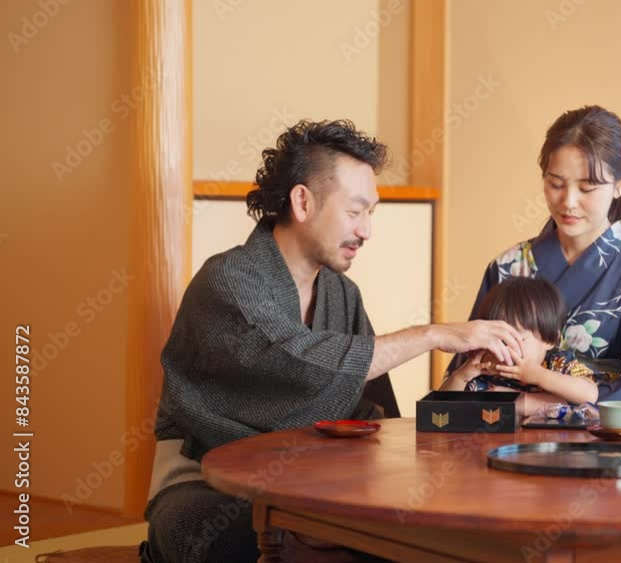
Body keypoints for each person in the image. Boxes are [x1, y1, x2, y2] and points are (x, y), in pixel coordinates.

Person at [142, 119, 525, 563]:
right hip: (205, 481)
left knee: (406, 535)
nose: (366, 231)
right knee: (257, 538)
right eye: (355, 211)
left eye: (371, 213)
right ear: (302, 202)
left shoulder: (342, 294)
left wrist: (461, 398)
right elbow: (299, 363)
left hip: (310, 483)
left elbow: (374, 416)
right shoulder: (228, 279)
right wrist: (433, 334)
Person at [447, 105, 621, 419]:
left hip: (610, 442)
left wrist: (531, 402)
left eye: (587, 188)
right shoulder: (508, 267)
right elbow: (464, 378)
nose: (568, 202)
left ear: (619, 184)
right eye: (556, 184)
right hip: (504, 438)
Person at [440, 277, 601, 408]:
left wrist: (538, 375)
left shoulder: (558, 364)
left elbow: (590, 394)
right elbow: (442, 408)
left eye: (516, 339)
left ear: (550, 339)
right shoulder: (486, 369)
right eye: (497, 339)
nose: (504, 348)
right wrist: (461, 376)